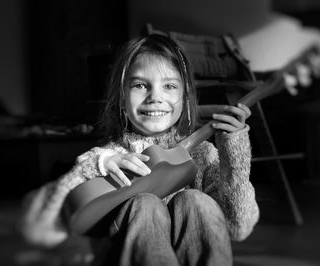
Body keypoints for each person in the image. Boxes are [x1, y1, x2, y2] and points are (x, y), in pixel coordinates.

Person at [19, 34, 259, 266]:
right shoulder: (107, 158)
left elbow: (238, 227)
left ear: (185, 98)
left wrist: (233, 154)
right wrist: (95, 167)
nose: (155, 96)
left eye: (169, 86)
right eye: (140, 85)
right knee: (145, 204)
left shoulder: (204, 155)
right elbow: (41, 229)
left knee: (196, 201)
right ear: (121, 99)